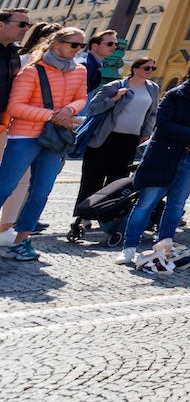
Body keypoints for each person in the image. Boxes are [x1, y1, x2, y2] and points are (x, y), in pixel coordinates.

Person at [120, 55, 190, 265]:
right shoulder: (175, 95)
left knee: (177, 205)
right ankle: (129, 247)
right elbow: (164, 123)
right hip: (165, 155)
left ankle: (164, 246)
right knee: (146, 203)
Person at [0, 27, 90, 261]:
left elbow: (82, 98)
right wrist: (51, 115)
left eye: (81, 45)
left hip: (56, 138)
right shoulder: (31, 71)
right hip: (25, 136)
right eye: (74, 44)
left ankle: (22, 241)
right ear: (57, 43)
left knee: (41, 192)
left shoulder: (80, 71)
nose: (78, 49)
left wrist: (69, 110)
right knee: (4, 187)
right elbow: (15, 107)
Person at [69, 53, 160, 240]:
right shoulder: (116, 86)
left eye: (153, 68)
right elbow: (93, 108)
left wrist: (146, 131)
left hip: (130, 140)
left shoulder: (153, 89)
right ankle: (83, 216)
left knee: (117, 179)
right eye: (147, 68)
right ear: (135, 69)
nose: (150, 71)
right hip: (105, 137)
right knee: (92, 177)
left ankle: (107, 214)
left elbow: (152, 113)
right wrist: (115, 99)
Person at [80, 29, 119, 95]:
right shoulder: (85, 65)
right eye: (109, 44)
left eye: (116, 44)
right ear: (94, 46)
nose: (114, 47)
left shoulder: (93, 64)